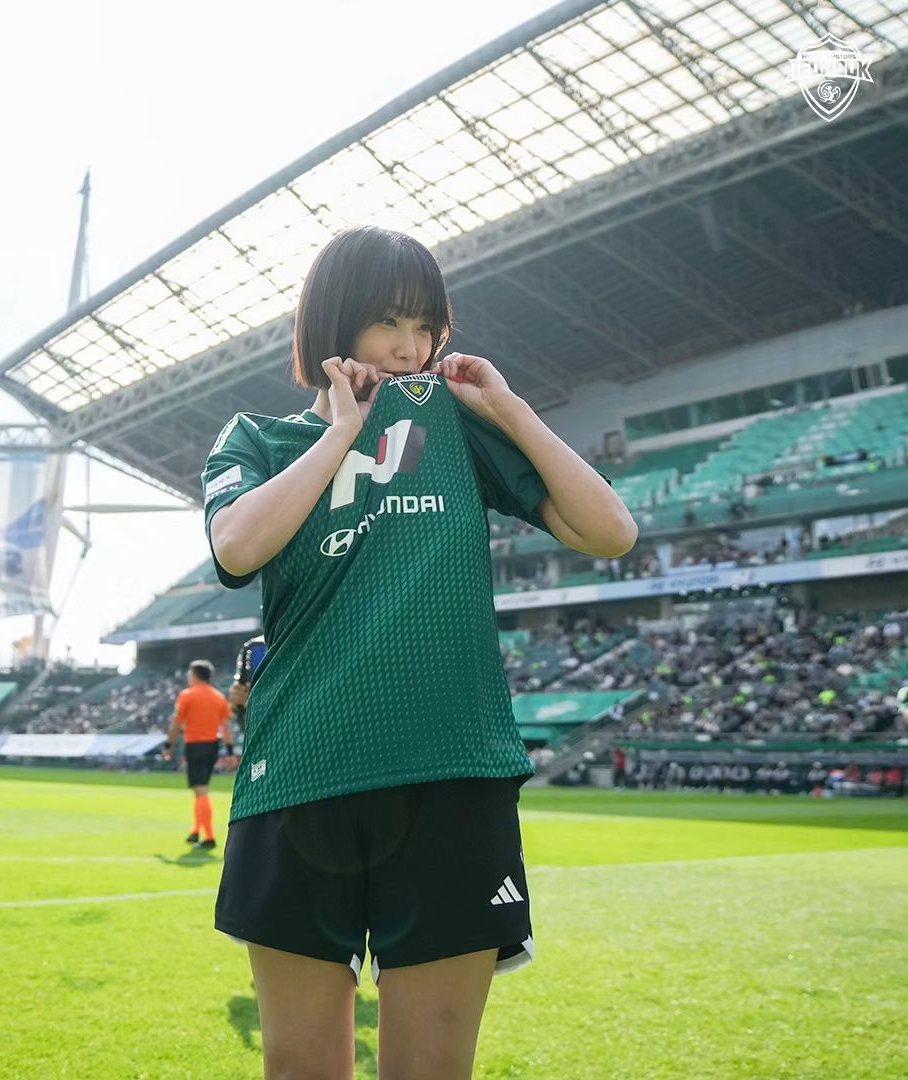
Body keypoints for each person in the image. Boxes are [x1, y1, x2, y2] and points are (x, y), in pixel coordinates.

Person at [200, 225, 635, 1078]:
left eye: (427, 325)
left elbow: (610, 531)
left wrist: (507, 406)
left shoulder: (457, 430)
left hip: (452, 772)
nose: (412, 347)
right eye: (388, 323)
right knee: (301, 1068)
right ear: (333, 322)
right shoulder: (252, 438)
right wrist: (340, 434)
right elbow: (237, 549)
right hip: (298, 776)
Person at [166, 660, 233, 850]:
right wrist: (228, 750)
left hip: (195, 745)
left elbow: (176, 724)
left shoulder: (187, 695)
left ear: (194, 675)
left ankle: (210, 837)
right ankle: (196, 831)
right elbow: (226, 727)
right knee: (199, 790)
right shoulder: (219, 697)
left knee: (201, 789)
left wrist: (168, 745)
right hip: (213, 745)